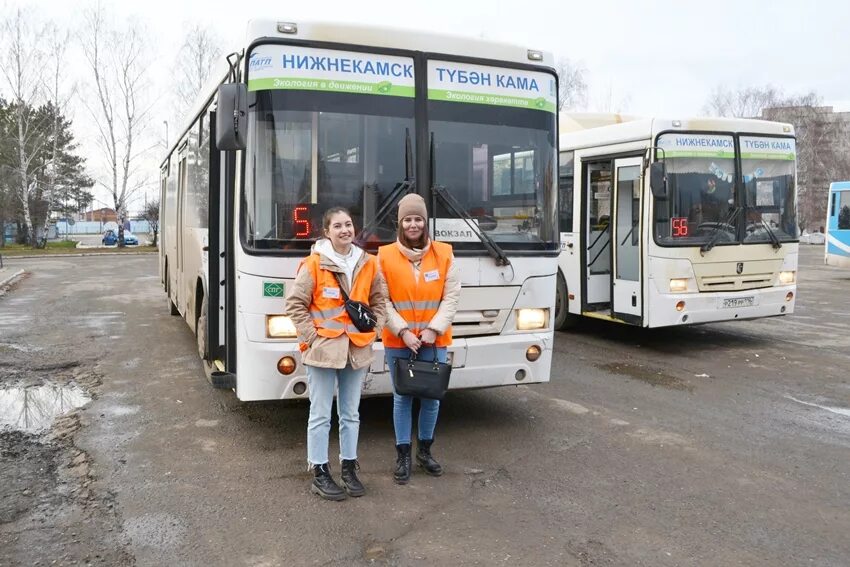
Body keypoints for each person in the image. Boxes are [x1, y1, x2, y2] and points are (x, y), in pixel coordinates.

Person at [285, 207, 386, 501]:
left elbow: (380, 300)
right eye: (338, 226)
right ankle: (319, 471)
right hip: (323, 352)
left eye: (349, 224)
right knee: (319, 415)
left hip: (356, 349)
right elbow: (295, 304)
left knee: (350, 413)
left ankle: (349, 467)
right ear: (326, 232)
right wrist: (313, 338)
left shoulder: (368, 263)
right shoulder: (314, 264)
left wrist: (374, 330)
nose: (345, 230)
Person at [378, 194, 460, 485]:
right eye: (408, 219)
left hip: (434, 340)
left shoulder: (444, 253)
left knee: (432, 398)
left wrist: (432, 330)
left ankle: (425, 451)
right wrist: (403, 331)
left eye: (418, 219)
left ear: (425, 223)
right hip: (398, 340)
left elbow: (451, 297)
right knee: (402, 398)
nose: (413, 224)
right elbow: (382, 300)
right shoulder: (384, 255)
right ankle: (403, 455)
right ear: (400, 224)